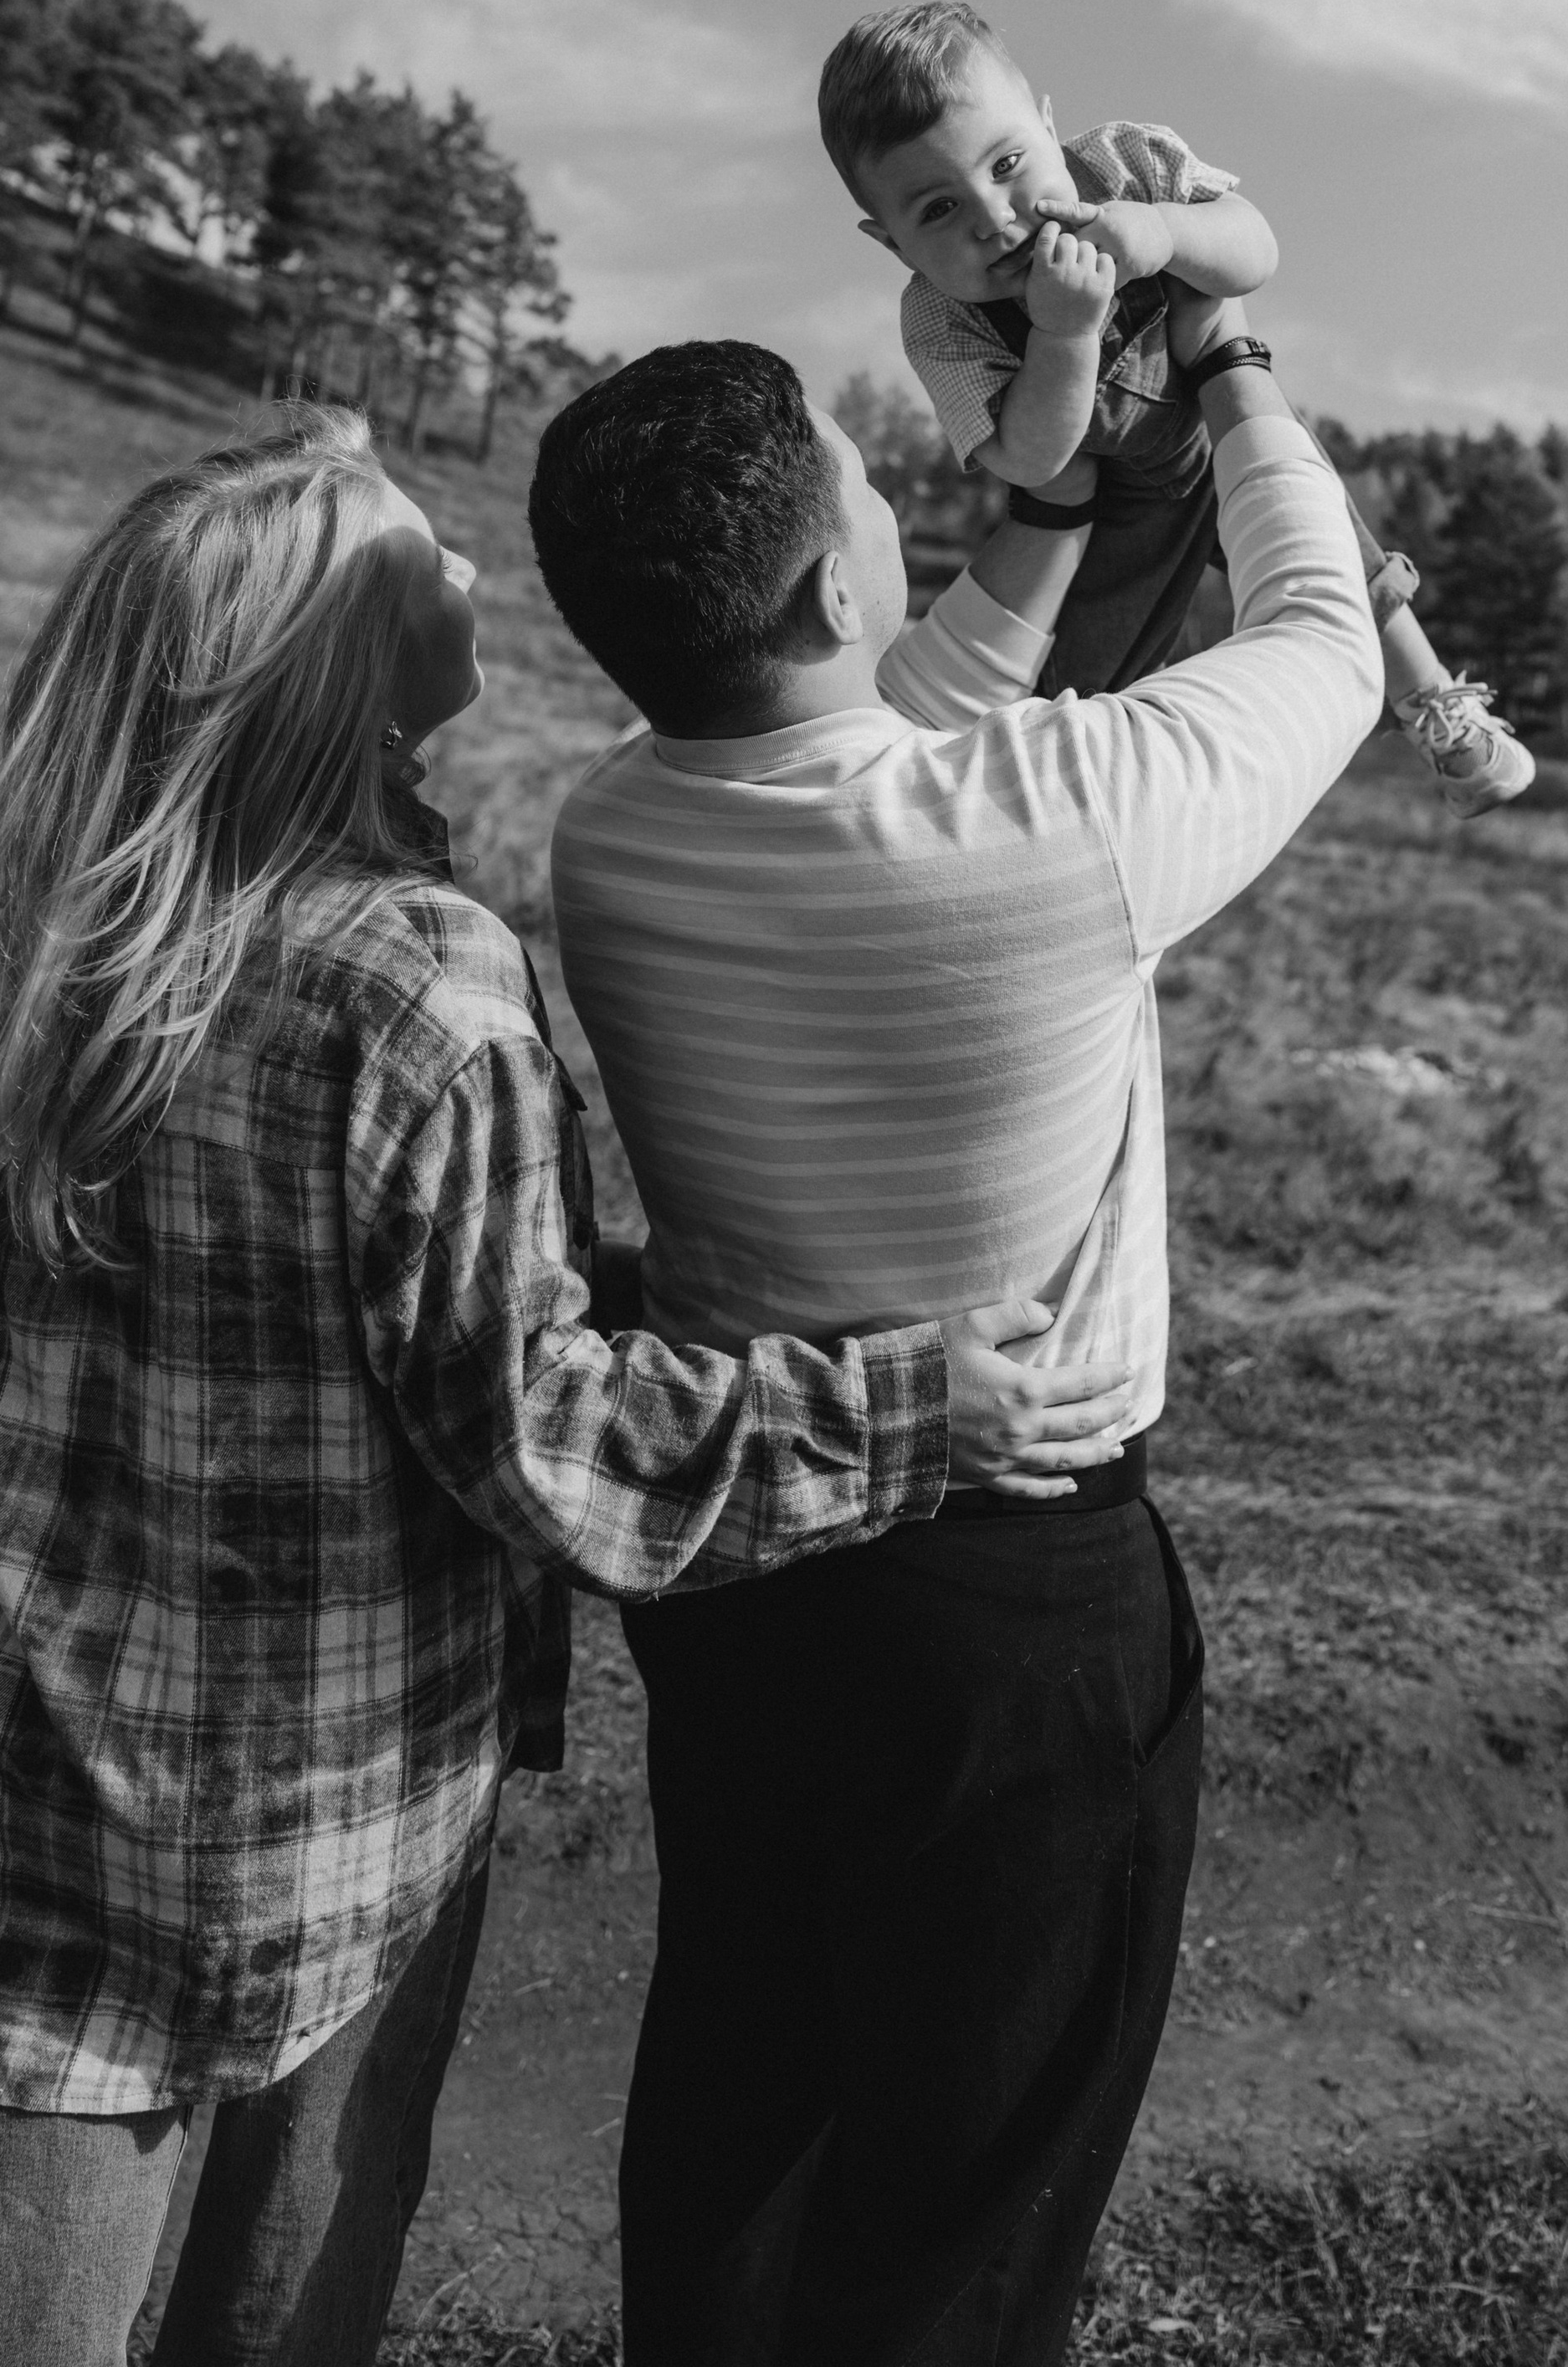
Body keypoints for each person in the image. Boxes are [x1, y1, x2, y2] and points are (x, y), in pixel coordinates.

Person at [0, 404, 1133, 2367]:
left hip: (36, 1827)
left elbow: (257, 1306)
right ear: (329, 671)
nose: (462, 566)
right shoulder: (412, 978)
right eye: (409, 550)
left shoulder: (47, 948)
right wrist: (903, 1408)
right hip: (322, 1836)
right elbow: (541, 1438)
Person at [531, 322, 1387, 2364]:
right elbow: (1327, 634)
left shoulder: (610, 838)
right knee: (964, 2206)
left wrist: (1040, 512)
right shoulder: (1065, 817)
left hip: (743, 1560)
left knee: (745, 2078)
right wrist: (1244, 368)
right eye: (858, 475)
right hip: (1000, 1603)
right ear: (834, 580)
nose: (881, 495)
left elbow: (866, 723)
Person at [821, 0, 1535, 816]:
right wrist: (1064, 335)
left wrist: (1162, 231)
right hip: (1125, 507)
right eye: (938, 209)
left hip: (1221, 421)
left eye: (1009, 164)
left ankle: (1433, 708)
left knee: (1343, 557)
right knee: (1090, 677)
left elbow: (1253, 247)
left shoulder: (1127, 166)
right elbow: (1028, 459)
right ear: (890, 243)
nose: (995, 217)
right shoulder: (940, 320)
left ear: (1048, 128)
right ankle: (1084, 818)